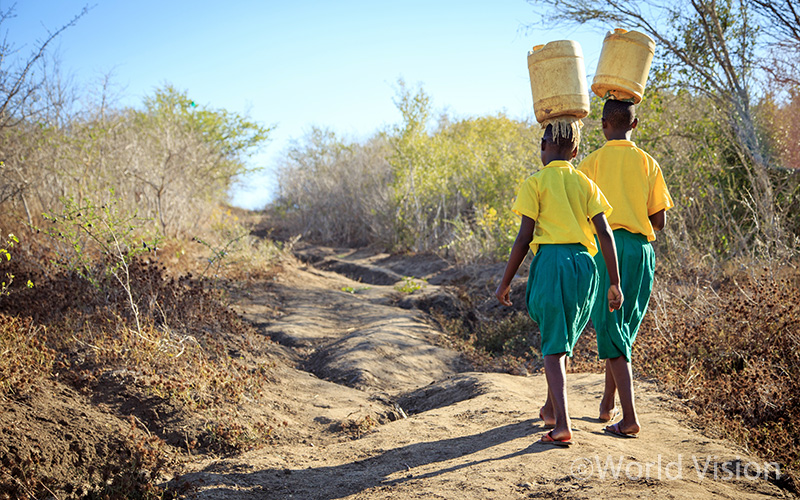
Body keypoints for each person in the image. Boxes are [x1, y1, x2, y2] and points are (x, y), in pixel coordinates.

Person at [496, 120, 623, 447]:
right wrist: (615, 282)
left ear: (543, 148)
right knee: (562, 337)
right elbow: (605, 233)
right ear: (577, 152)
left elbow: (524, 238)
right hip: (586, 267)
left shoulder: (535, 183)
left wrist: (505, 282)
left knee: (552, 349)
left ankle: (562, 426)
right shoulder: (585, 183)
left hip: (553, 264)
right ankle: (551, 410)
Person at [577, 99, 674, 438]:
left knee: (610, 327)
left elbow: (581, 215)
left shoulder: (591, 163)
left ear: (602, 125)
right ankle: (607, 405)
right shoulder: (649, 163)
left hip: (609, 251)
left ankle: (630, 419)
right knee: (621, 329)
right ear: (635, 125)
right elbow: (659, 221)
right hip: (642, 252)